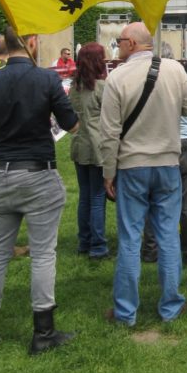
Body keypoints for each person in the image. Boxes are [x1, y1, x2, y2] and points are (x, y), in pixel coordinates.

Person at [0, 26, 79, 355]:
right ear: (32, 43)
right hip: (38, 174)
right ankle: (43, 332)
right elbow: (72, 124)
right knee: (43, 254)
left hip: (1, 176)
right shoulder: (45, 79)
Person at [99, 22, 187, 326]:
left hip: (132, 166)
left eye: (119, 40)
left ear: (131, 43)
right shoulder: (174, 70)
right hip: (168, 163)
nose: (117, 45)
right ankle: (170, 305)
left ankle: (125, 312)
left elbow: (109, 134)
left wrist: (108, 172)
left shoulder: (117, 78)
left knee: (131, 238)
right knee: (168, 235)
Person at [69, 43, 109, 260]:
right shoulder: (102, 87)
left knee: (85, 196)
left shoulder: (75, 86)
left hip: (79, 144)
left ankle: (84, 241)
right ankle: (98, 245)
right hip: (97, 146)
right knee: (97, 197)